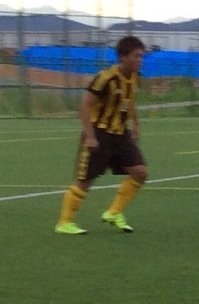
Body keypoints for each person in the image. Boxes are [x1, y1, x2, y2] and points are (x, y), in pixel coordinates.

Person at [57, 34, 151, 234]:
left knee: (140, 172)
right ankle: (64, 223)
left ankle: (114, 212)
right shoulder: (105, 78)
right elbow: (85, 106)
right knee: (86, 180)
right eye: (137, 56)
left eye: (142, 56)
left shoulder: (135, 77)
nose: (140, 60)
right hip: (99, 132)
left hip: (120, 134)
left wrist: (135, 125)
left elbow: (129, 102)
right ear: (123, 57)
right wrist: (90, 136)